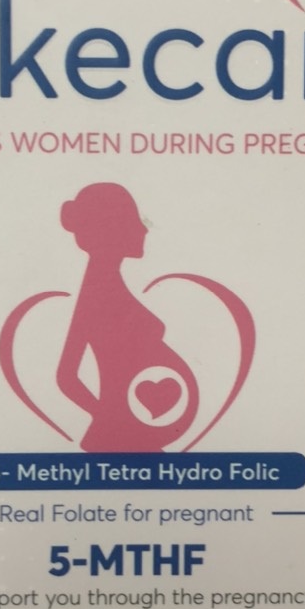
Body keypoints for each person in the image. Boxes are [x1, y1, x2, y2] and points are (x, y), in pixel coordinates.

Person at [56, 183, 199, 453]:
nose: (144, 229)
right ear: (112, 229)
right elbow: (66, 376)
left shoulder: (104, 282)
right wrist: (111, 418)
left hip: (138, 438)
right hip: (122, 439)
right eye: (134, 220)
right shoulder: (98, 288)